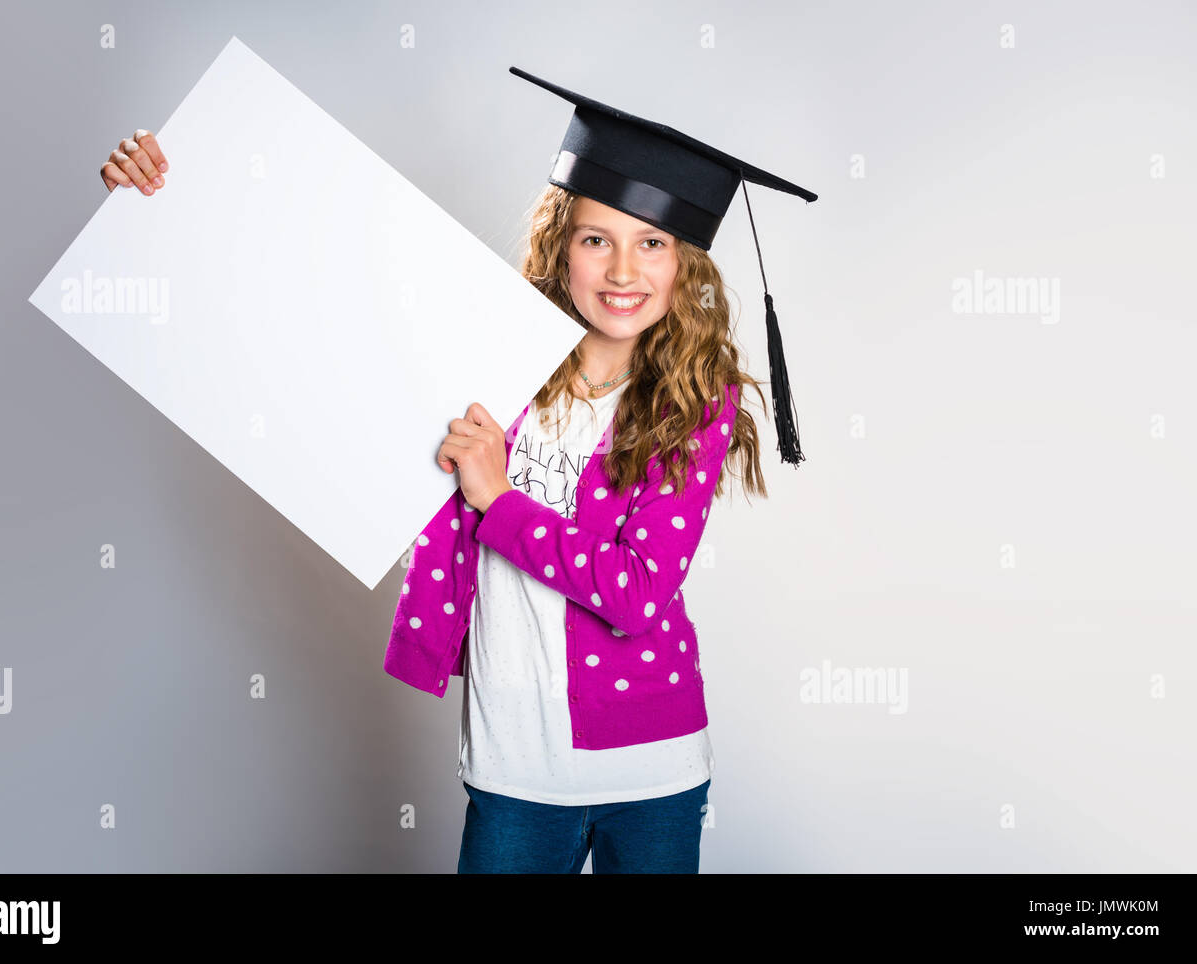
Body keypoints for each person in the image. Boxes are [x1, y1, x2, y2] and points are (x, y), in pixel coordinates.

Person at [99, 67, 816, 874]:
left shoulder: (695, 403)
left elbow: (638, 590)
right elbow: (313, 312)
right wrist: (170, 192)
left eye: (651, 243)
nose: (623, 270)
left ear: (685, 266)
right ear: (560, 244)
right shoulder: (482, 361)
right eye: (595, 239)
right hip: (512, 772)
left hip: (653, 772)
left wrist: (500, 501)